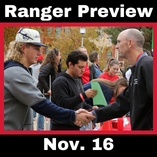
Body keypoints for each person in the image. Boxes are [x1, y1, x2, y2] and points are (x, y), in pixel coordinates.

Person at [4, 28, 95, 130]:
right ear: (23, 48)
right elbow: (41, 105)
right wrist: (73, 115)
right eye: (36, 48)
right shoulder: (16, 74)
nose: (40, 53)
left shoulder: (17, 71)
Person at [90, 28, 153, 130]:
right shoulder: (136, 69)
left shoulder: (148, 64)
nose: (117, 46)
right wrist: (93, 115)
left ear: (129, 43)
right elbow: (123, 103)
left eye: (119, 42)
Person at [51, 50, 98, 130]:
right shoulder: (60, 81)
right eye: (80, 67)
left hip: (75, 126)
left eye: (84, 67)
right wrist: (84, 95)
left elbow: (80, 103)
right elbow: (63, 104)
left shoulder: (77, 79)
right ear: (70, 64)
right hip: (62, 128)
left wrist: (91, 108)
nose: (83, 70)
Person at [36, 49, 61, 130]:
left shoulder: (55, 66)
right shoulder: (48, 66)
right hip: (44, 92)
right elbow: (41, 77)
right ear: (55, 56)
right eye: (59, 55)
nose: (60, 57)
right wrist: (48, 89)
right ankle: (40, 130)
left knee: (51, 112)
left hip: (49, 93)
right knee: (42, 112)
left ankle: (51, 129)